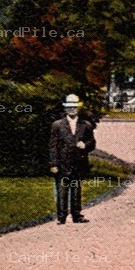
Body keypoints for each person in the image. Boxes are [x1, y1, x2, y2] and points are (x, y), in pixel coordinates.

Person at [48, 94, 96, 224]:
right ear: (65, 109)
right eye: (69, 107)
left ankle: (77, 215)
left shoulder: (86, 125)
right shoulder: (57, 125)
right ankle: (61, 217)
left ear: (78, 108)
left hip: (79, 162)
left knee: (76, 190)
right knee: (62, 191)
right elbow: (53, 146)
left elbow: (92, 142)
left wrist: (85, 145)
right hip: (63, 163)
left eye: (74, 107)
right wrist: (53, 163)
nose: (72, 109)